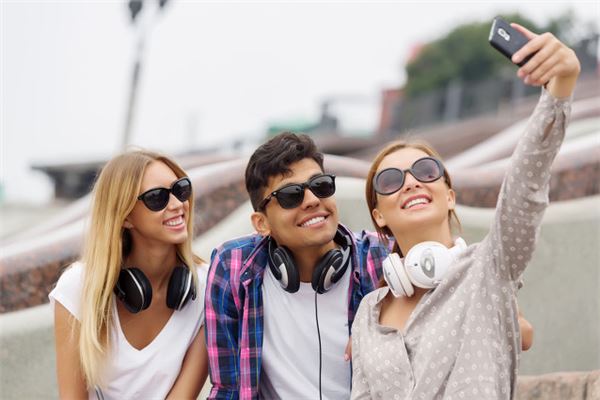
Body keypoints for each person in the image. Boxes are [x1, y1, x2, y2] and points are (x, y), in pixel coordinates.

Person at [204, 133, 533, 399]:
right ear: (261, 223)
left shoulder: (383, 257)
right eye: (291, 195)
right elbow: (228, 388)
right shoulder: (234, 267)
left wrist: (375, 340)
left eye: (320, 186)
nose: (312, 200)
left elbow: (517, 328)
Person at [351, 23, 579, 399]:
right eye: (390, 180)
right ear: (379, 215)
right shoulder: (369, 313)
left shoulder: (489, 270)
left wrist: (559, 89)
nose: (411, 182)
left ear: (450, 196)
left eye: (426, 171)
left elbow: (525, 187)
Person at [50, 150, 209, 399]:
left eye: (181, 190)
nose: (178, 204)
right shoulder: (77, 287)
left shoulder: (209, 287)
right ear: (125, 217)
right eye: (157, 197)